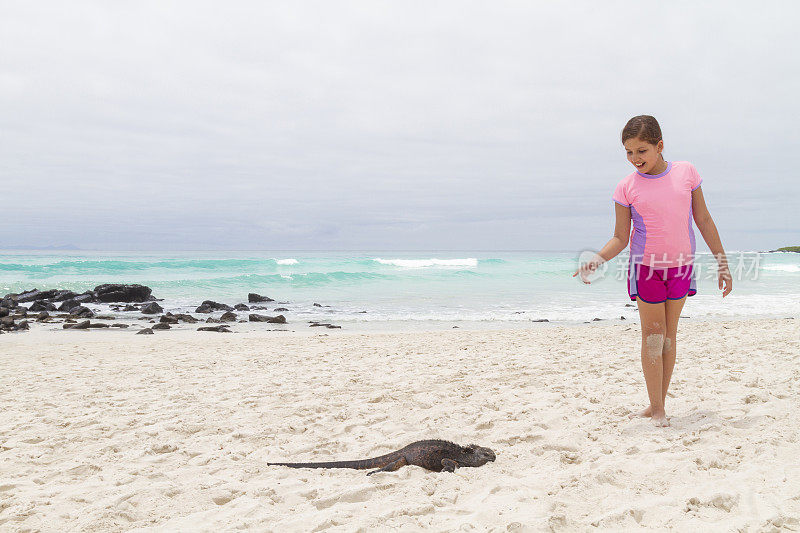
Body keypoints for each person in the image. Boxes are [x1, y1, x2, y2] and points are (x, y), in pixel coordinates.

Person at [573, 115, 732, 427]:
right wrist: (596, 259)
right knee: (653, 338)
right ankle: (656, 408)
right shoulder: (626, 188)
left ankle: (659, 404)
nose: (635, 159)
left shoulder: (687, 173)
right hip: (646, 268)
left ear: (660, 146)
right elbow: (620, 237)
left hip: (682, 266)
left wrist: (722, 263)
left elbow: (703, 219)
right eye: (629, 152)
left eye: (641, 151)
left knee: (669, 338)